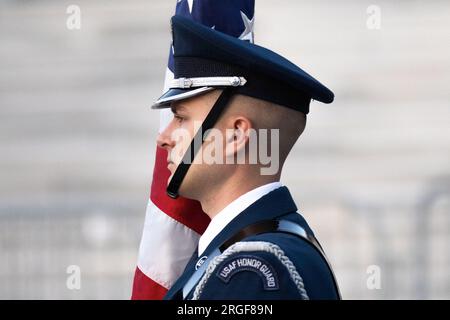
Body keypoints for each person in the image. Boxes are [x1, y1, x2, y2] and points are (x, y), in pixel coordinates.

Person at [152, 15, 340, 300]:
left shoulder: (250, 273)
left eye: (180, 117)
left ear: (236, 135)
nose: (163, 137)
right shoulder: (249, 247)